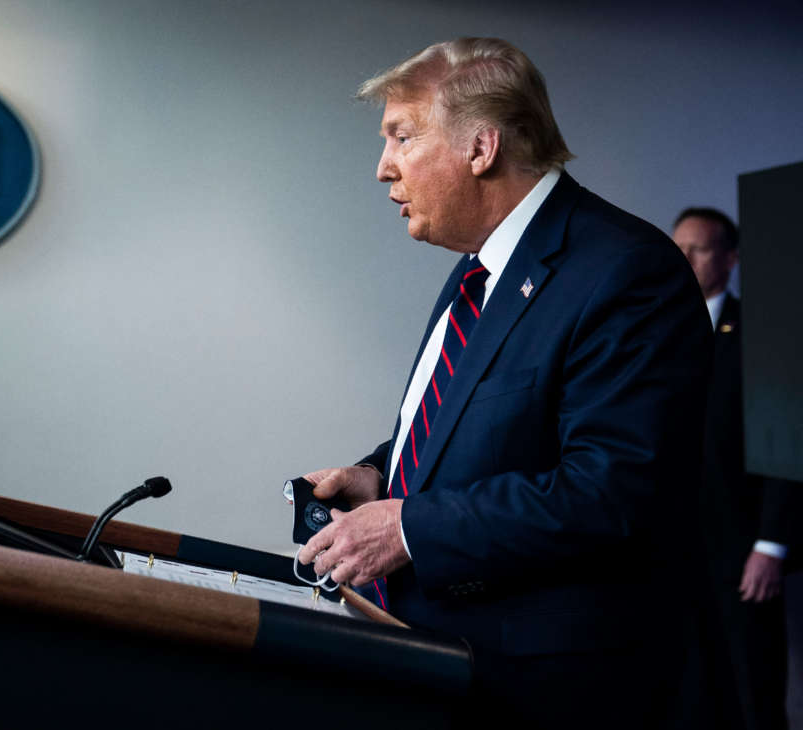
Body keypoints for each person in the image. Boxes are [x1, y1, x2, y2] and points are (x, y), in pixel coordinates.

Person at [295, 37, 712, 728]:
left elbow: (611, 492)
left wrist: (409, 526)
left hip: (551, 690)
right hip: (444, 662)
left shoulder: (629, 271)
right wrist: (380, 474)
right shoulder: (476, 270)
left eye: (401, 136)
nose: (382, 168)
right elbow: (470, 422)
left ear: (480, 149)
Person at [673, 207, 796, 730]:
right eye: (678, 247)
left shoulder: (762, 333)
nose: (684, 259)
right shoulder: (662, 330)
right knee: (690, 687)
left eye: (697, 248)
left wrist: (770, 545)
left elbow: (786, 442)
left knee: (752, 683)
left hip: (740, 542)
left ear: (731, 257)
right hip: (675, 543)